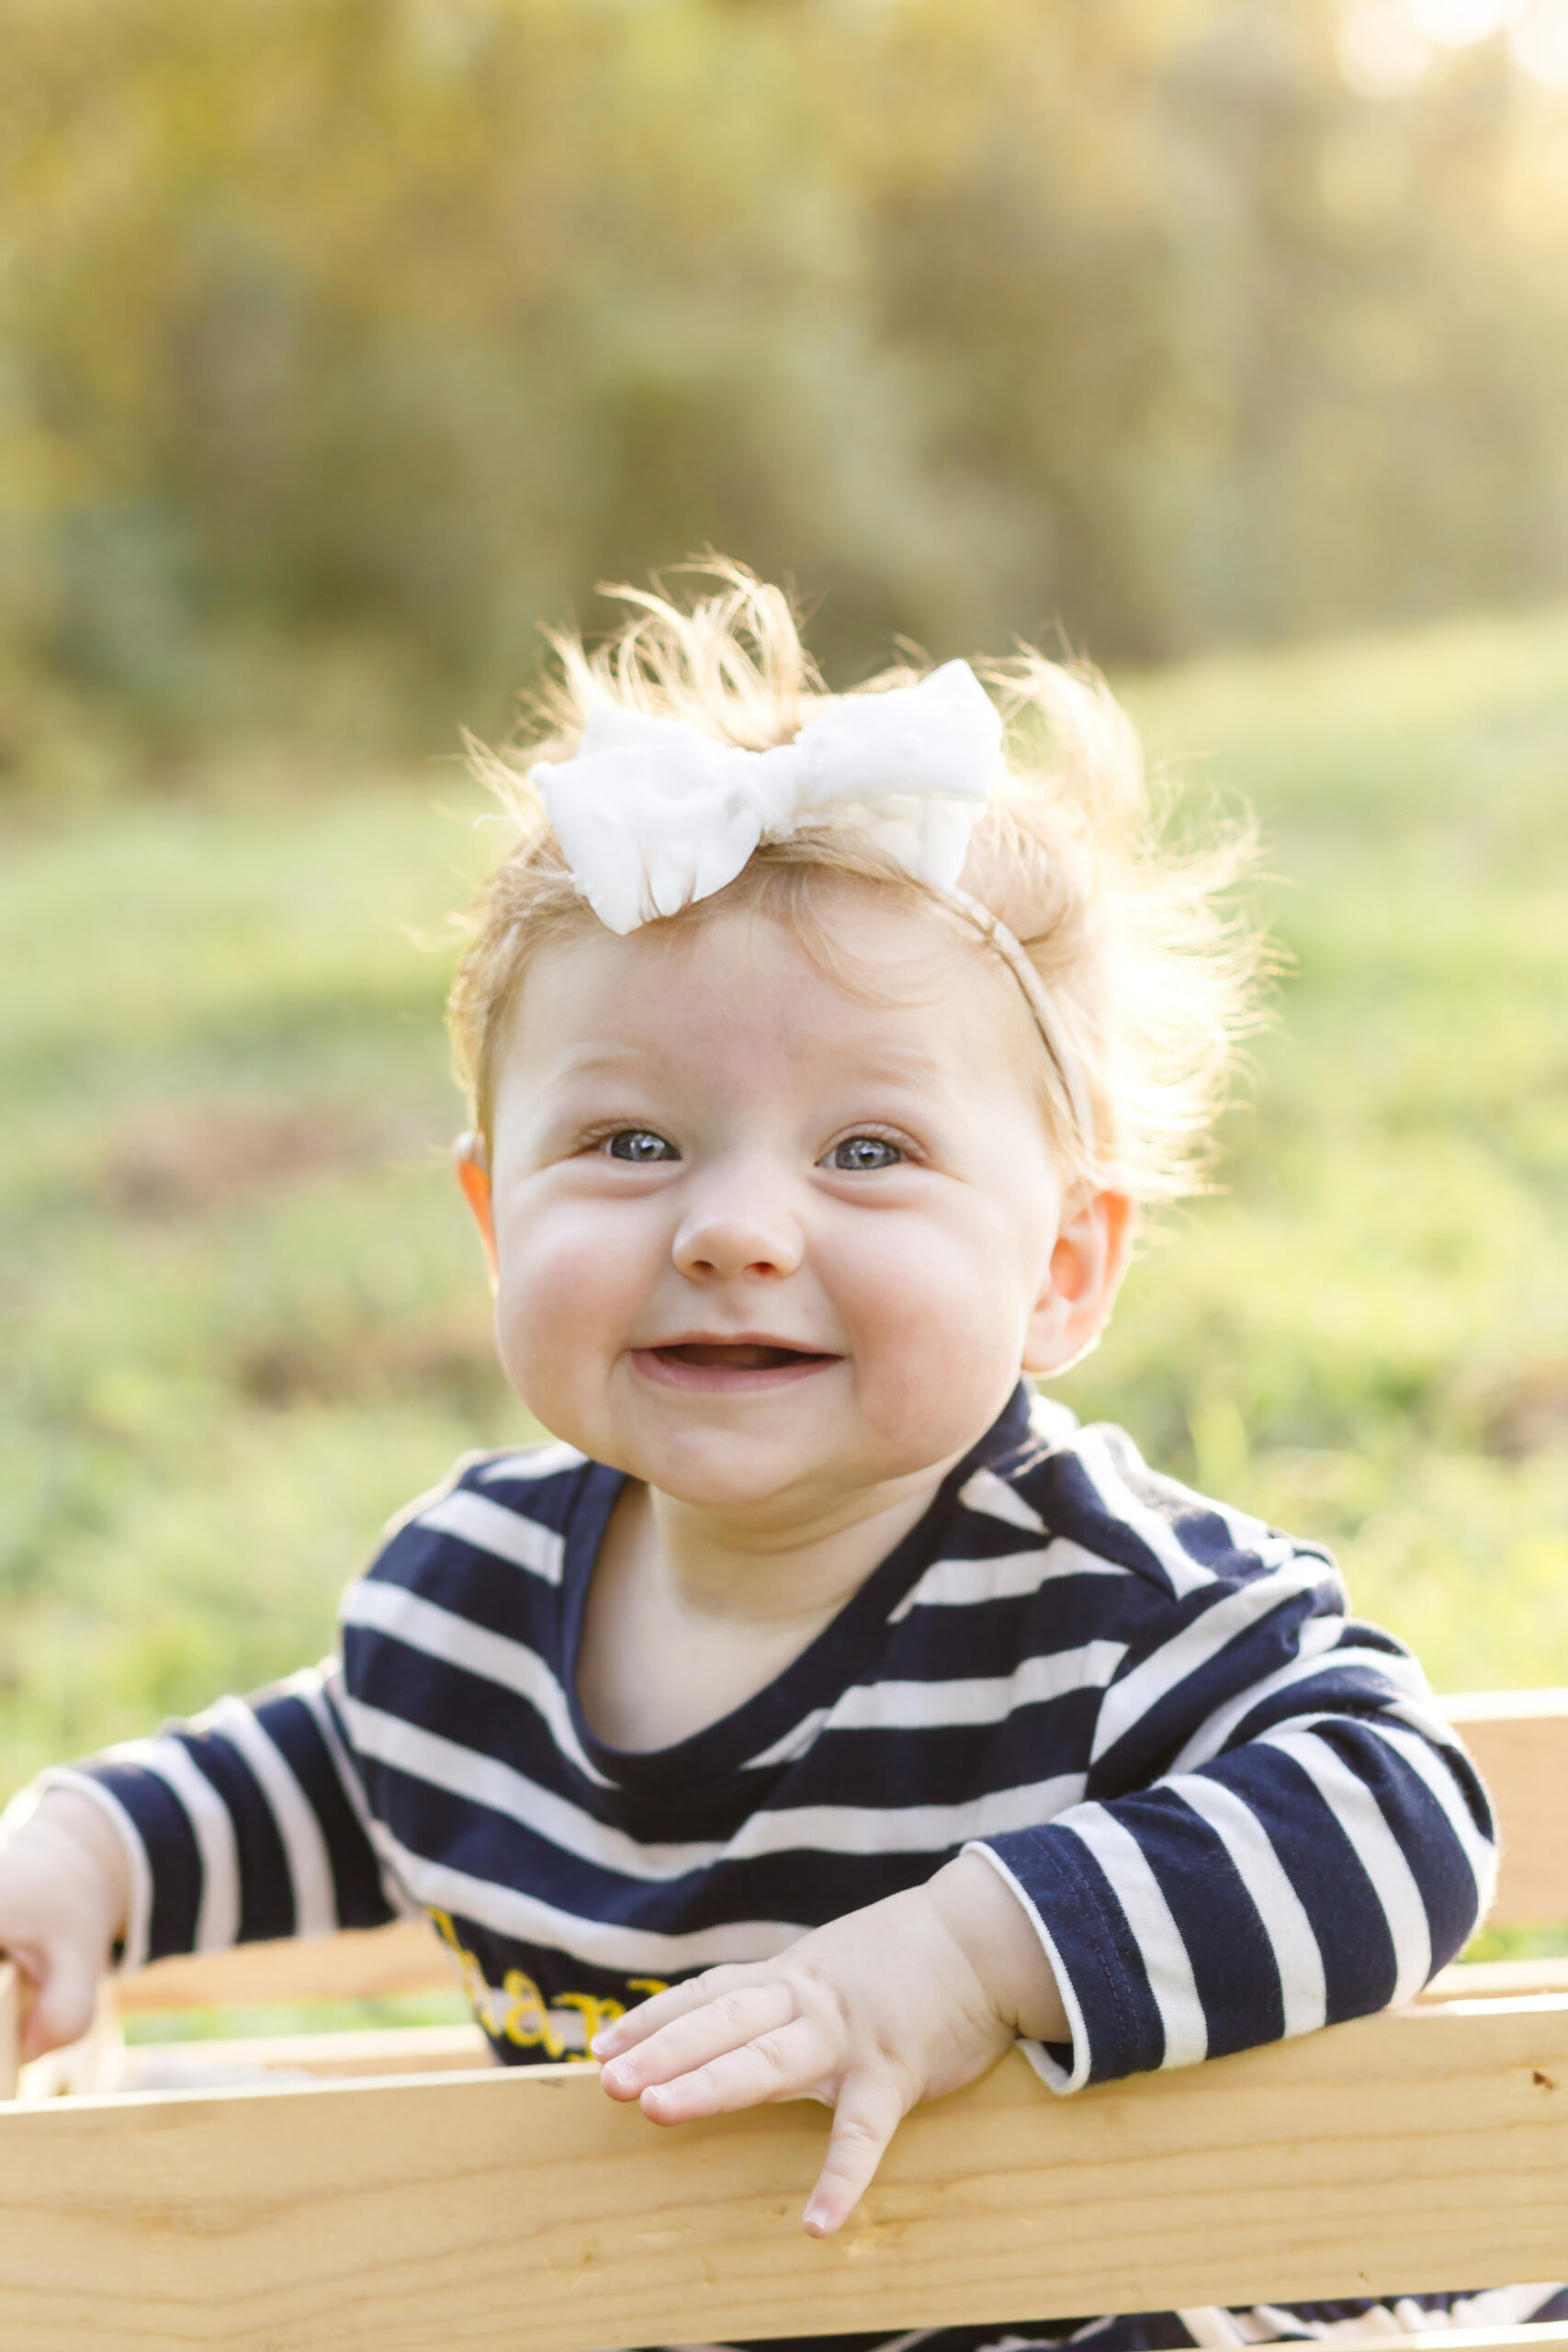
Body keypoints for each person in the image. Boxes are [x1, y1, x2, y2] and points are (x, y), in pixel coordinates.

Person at [0, 564, 1557, 2350]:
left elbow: (1399, 1810)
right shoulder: (466, 1604)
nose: (735, 1225)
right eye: (634, 1136)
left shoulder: (1111, 1608)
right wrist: (88, 1857)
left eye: (869, 1151)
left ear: (1060, 1266)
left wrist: (971, 1948)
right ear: (493, 1217)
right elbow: (346, 1770)